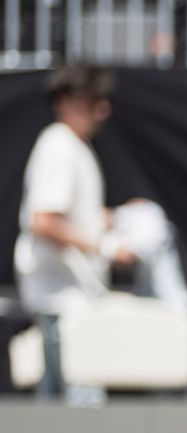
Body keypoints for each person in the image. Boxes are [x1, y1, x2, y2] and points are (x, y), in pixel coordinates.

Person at [13, 65, 116, 399]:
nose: (103, 109)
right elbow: (42, 221)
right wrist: (103, 246)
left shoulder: (72, 146)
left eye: (103, 100)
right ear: (63, 101)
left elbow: (64, 216)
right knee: (75, 411)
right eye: (92, 100)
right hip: (61, 300)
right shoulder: (58, 145)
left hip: (71, 300)